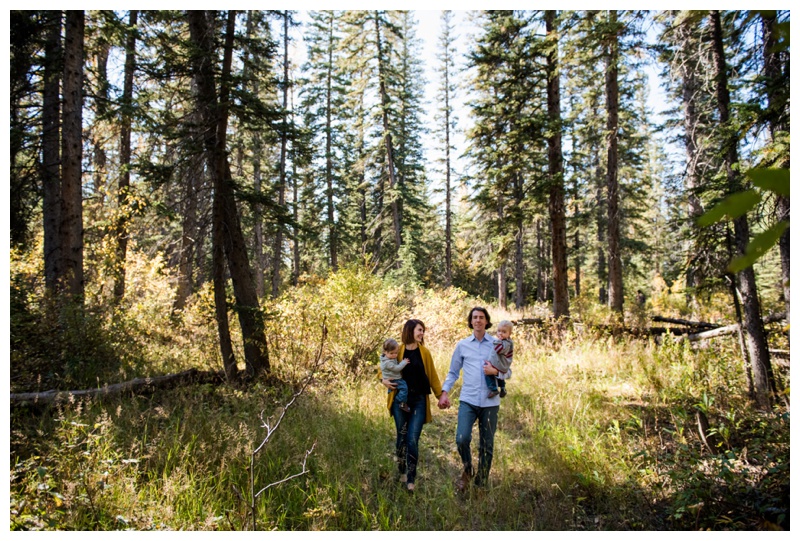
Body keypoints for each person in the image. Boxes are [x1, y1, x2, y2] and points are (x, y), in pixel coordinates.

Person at [438, 306, 506, 491]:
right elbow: (453, 372)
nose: (478, 320)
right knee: (462, 438)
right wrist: (444, 392)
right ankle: (468, 469)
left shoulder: (496, 343)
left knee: (487, 445)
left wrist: (496, 372)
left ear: (486, 321)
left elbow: (508, 372)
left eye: (481, 317)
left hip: (490, 402)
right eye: (475, 317)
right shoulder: (462, 345)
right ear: (471, 321)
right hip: (468, 400)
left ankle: (481, 484)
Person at [381, 319, 443, 492]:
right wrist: (383, 380)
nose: (422, 333)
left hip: (419, 401)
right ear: (410, 330)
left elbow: (433, 376)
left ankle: (411, 477)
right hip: (400, 402)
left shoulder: (425, 353)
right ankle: (401, 470)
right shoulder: (397, 350)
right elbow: (382, 365)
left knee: (412, 439)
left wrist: (440, 396)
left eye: (423, 330)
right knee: (401, 438)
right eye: (419, 330)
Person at [485, 320, 514, 399]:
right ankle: (503, 388)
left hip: (501, 364)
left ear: (509, 334)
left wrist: (497, 341)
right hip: (500, 364)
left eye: (504, 332)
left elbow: (498, 350)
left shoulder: (506, 343)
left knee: (488, 372)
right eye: (499, 331)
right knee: (499, 376)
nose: (500, 333)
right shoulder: (504, 341)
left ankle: (493, 389)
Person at [379, 338, 410, 412]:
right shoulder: (387, 363)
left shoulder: (387, 358)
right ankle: (400, 402)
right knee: (404, 388)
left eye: (396, 353)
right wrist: (404, 362)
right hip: (395, 379)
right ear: (385, 352)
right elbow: (397, 368)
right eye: (391, 353)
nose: (394, 355)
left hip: (393, 378)